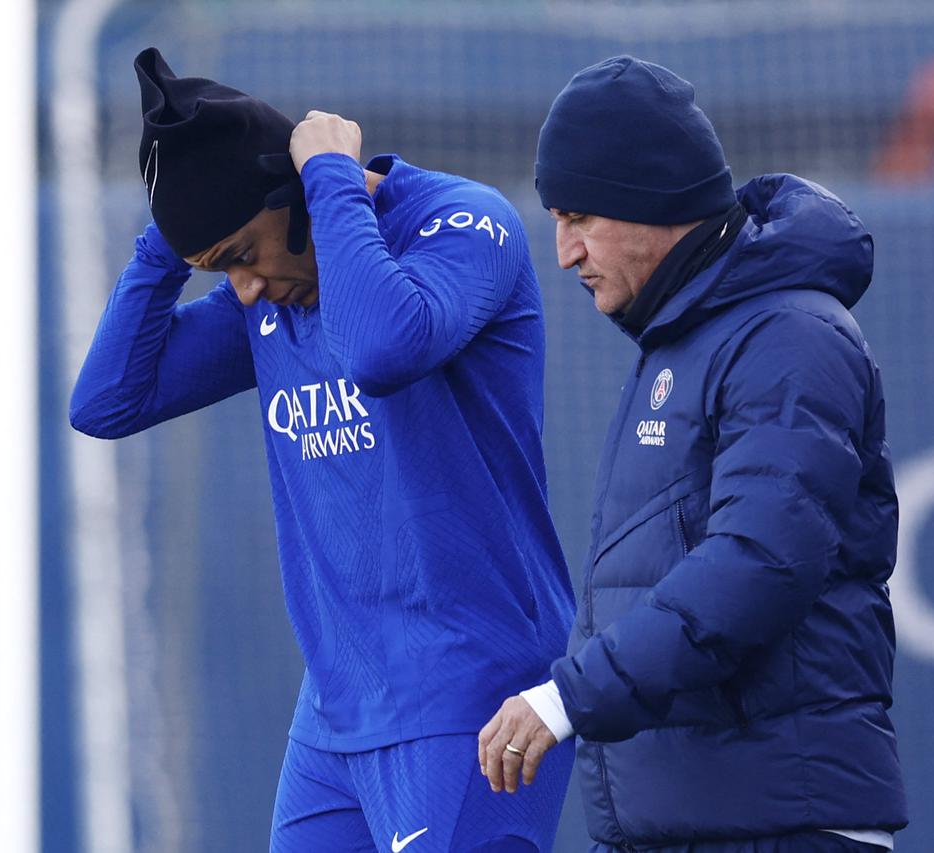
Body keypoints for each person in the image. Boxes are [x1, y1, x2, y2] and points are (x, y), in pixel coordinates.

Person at [70, 48, 576, 853]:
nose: (243, 288)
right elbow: (106, 401)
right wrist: (175, 232)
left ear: (299, 194)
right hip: (336, 719)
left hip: (469, 704)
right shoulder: (269, 294)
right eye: (217, 268)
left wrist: (332, 180)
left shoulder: (463, 226)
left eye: (240, 255)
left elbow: (382, 349)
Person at [479, 56, 908, 852]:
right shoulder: (684, 342)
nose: (565, 252)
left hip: (779, 826)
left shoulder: (789, 336)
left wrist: (572, 696)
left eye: (580, 218)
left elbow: (758, 562)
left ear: (651, 203)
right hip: (684, 827)